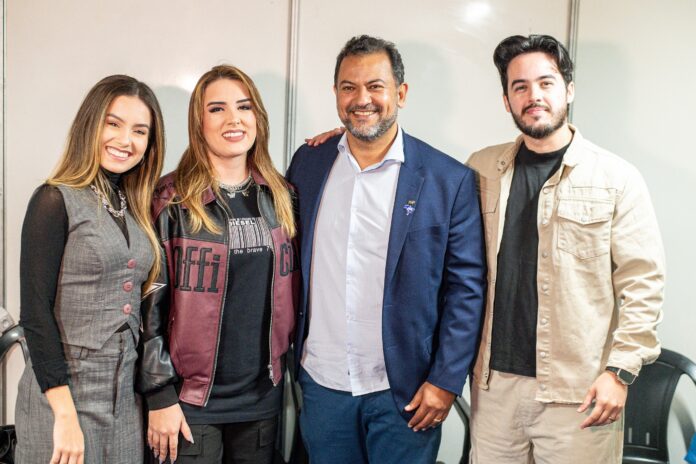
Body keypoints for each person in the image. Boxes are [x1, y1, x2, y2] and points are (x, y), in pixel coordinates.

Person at [286, 35, 486, 464]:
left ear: (401, 93)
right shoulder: (308, 163)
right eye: (349, 87)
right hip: (323, 384)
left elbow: (466, 290)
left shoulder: (448, 179)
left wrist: (446, 381)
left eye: (375, 86)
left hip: (406, 391)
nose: (362, 99)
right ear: (336, 94)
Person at [467, 34, 665, 463]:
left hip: (579, 391)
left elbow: (643, 284)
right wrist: (345, 139)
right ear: (506, 100)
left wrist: (619, 372)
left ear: (569, 90)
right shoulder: (481, 168)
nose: (533, 96)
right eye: (520, 87)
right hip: (494, 388)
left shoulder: (617, 178)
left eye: (546, 83)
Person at [137, 64, 299, 464]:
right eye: (217, 109)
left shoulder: (283, 196)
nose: (233, 119)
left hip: (262, 399)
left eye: (244, 107)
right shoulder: (170, 200)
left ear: (258, 117)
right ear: (199, 122)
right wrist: (159, 394)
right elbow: (149, 307)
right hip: (189, 402)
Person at [15, 75, 165, 464]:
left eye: (139, 131)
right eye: (113, 124)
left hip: (124, 399)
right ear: (91, 124)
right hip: (64, 396)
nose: (125, 140)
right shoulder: (53, 199)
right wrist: (64, 416)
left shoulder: (134, 207)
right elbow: (35, 314)